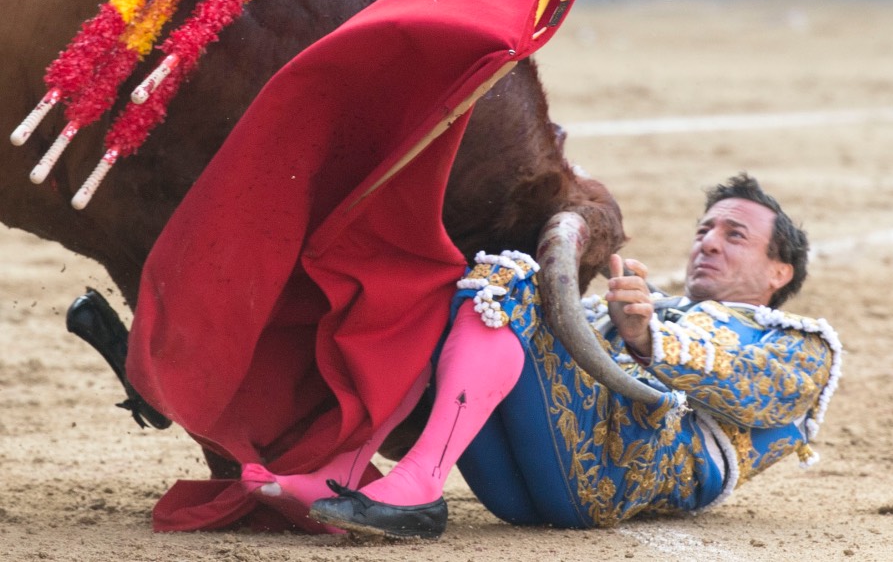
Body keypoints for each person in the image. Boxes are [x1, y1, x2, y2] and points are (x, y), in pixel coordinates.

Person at [250, 173, 840, 538]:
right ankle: (348, 476)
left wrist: (645, 336)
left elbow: (752, 386)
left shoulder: (801, 344)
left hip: (614, 476)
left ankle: (419, 486)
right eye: (704, 229)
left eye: (734, 235)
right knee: (456, 292)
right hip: (525, 484)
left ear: (780, 270)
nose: (708, 240)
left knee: (507, 283)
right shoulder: (643, 305)